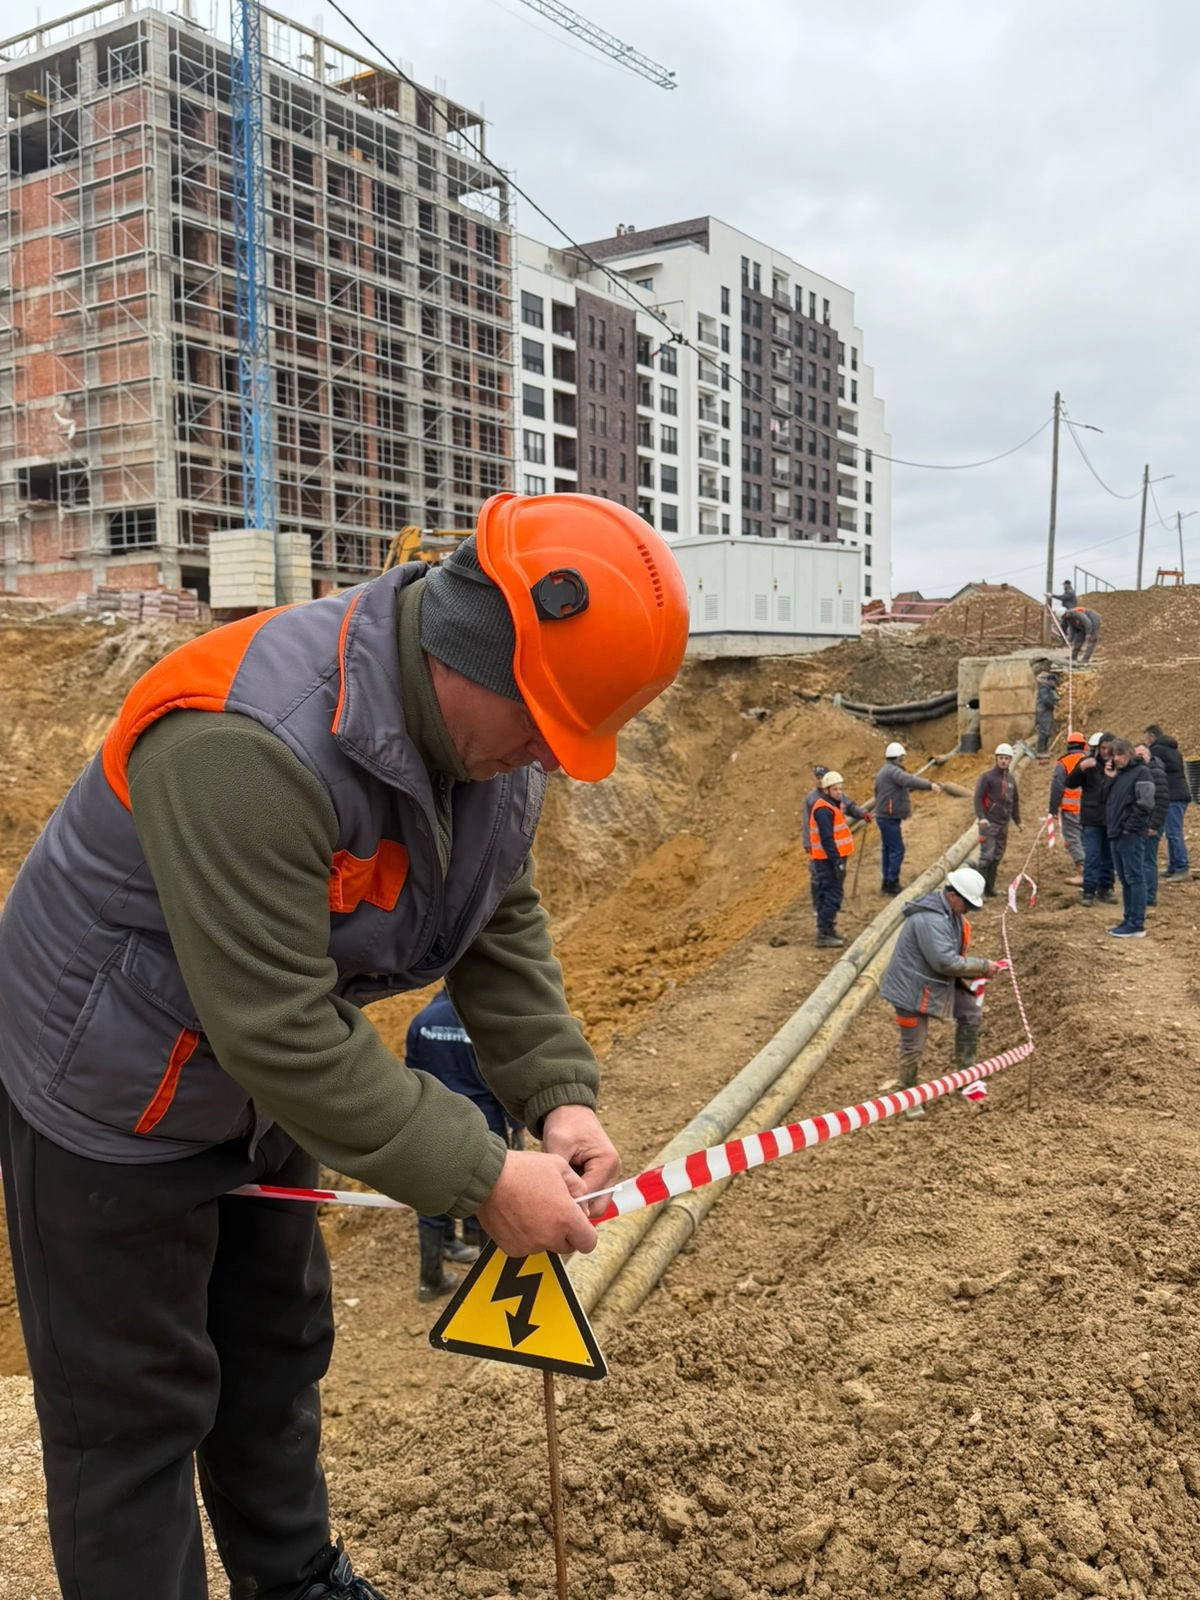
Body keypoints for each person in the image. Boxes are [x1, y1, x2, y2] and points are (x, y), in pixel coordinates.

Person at [0, 492, 689, 1600]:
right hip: (108, 1081)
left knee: (273, 1354)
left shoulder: (485, 752)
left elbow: (495, 913)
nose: (550, 764)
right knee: (134, 1416)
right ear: (475, 654)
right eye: (547, 728)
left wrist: (557, 1094)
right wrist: (477, 1177)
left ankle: (298, 1579)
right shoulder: (244, 742)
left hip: (259, 1084)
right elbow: (275, 1024)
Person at [406, 988, 523, 1302]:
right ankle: (490, 1284)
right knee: (488, 1195)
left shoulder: (421, 1021)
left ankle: (430, 1281)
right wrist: (517, 1128)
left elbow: (410, 1075)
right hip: (481, 1123)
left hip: (432, 1120)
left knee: (432, 1194)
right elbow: (503, 1081)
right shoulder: (481, 1023)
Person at [878, 865, 1003, 1119]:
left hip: (936, 982)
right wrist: (982, 966)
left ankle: (966, 1073)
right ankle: (909, 1095)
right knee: (914, 1043)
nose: (969, 910)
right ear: (953, 895)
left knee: (969, 1013)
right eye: (967, 904)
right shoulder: (931, 919)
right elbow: (945, 962)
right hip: (910, 990)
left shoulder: (950, 915)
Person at [808, 769, 869, 949]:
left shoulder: (833, 804)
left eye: (840, 789)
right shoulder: (823, 810)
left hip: (831, 858)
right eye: (835, 789)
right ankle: (824, 933)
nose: (839, 792)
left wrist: (862, 814)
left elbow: (850, 807)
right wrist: (836, 862)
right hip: (828, 860)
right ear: (826, 790)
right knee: (832, 895)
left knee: (829, 893)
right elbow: (827, 839)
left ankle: (827, 928)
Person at [873, 741, 942, 895]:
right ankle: (892, 882)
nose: (903, 761)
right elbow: (909, 780)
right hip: (888, 817)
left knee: (888, 849)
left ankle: (887, 881)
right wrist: (930, 785)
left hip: (885, 816)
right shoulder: (893, 771)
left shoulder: (884, 771)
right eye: (902, 758)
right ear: (898, 758)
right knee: (897, 850)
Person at [1105, 738, 1156, 938]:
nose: (1116, 758)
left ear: (1129, 753)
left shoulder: (1142, 772)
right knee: (1125, 879)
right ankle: (1128, 919)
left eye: (1120, 754)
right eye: (1114, 755)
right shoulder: (1119, 775)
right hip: (1116, 832)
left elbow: (1145, 803)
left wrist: (1129, 828)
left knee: (1135, 877)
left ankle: (1136, 923)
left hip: (1130, 834)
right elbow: (1106, 799)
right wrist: (1108, 777)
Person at [973, 744, 1023, 898]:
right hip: (989, 823)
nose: (1003, 761)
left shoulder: (1010, 780)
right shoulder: (987, 777)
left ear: (1010, 760)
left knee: (997, 856)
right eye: (1001, 758)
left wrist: (1018, 821)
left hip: (1003, 824)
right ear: (996, 759)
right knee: (986, 857)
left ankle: (990, 888)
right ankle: (978, 891)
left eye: (1006, 758)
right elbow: (978, 798)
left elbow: (1014, 802)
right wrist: (982, 817)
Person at [1076, 731, 1118, 908]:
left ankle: (1106, 888)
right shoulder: (1089, 765)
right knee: (1092, 856)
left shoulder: (1118, 766)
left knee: (1109, 857)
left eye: (1109, 748)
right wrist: (1081, 769)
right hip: (1092, 819)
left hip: (1110, 819)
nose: (1105, 751)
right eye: (1103, 748)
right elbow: (1070, 782)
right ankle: (1089, 890)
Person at [1144, 725, 1191, 880]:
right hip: (1178, 794)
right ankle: (1174, 866)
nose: (1146, 741)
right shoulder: (1172, 749)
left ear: (1151, 736)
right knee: (1172, 832)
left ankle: (1182, 868)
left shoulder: (1157, 750)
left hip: (1173, 796)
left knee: (1173, 832)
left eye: (1146, 738)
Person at [1048, 731, 1088, 887]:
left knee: (1072, 839)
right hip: (1089, 809)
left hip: (1070, 808)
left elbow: (1057, 787)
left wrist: (1053, 809)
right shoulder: (1089, 761)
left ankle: (1083, 873)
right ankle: (1092, 871)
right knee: (1087, 839)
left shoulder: (1063, 763)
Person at [1134, 740, 1169, 912]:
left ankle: (1149, 897)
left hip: (1152, 823)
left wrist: (1154, 825)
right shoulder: (1141, 772)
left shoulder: (1155, 772)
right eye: (1136, 755)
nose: (1139, 758)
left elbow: (1162, 801)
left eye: (1141, 755)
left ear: (1148, 755)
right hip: (1142, 822)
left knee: (1148, 860)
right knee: (1142, 859)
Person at [1034, 671, 1060, 756]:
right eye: (1055, 683)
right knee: (1044, 731)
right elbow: (1045, 700)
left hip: (1047, 711)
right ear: (1051, 681)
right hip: (1043, 711)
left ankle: (1044, 750)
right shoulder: (1044, 688)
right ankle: (1040, 751)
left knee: (1047, 730)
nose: (1055, 685)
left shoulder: (1049, 689)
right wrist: (1053, 705)